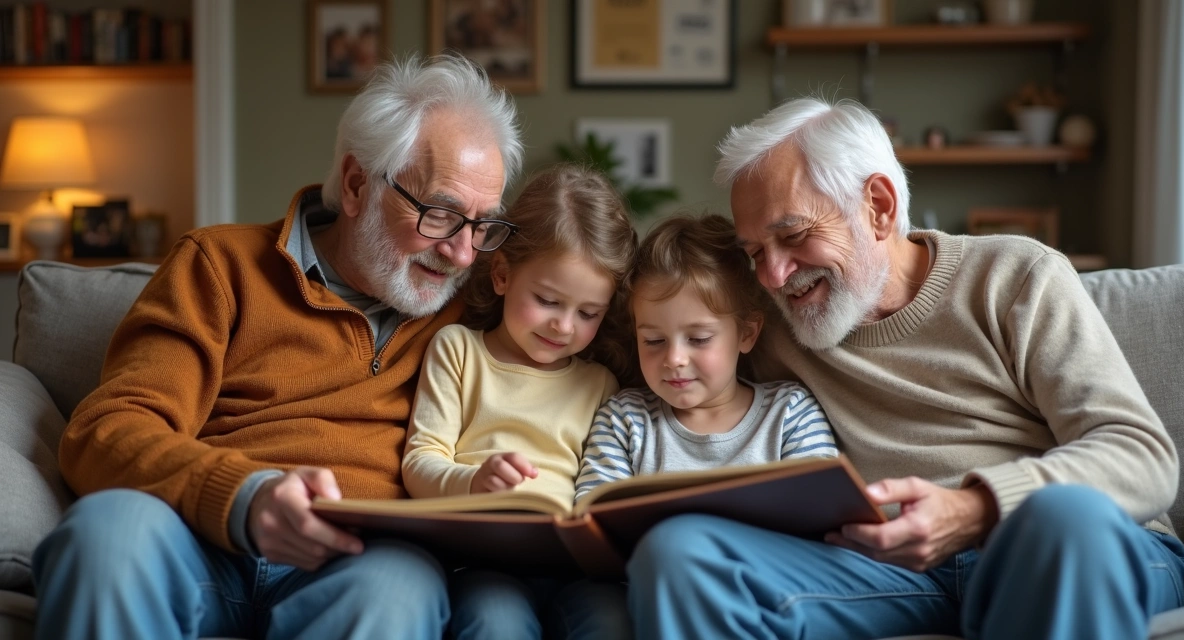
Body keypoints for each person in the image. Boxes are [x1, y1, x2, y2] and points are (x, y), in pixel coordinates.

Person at [626, 98, 1184, 640]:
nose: (774, 275)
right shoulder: (766, 319)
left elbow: (1141, 455)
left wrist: (976, 509)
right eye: (755, 252)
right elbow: (643, 331)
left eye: (793, 235)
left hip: (1056, 549)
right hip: (892, 574)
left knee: (1064, 520)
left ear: (878, 206)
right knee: (682, 551)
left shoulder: (1015, 277)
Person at [32, 54, 524, 639]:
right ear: (356, 183)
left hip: (356, 562)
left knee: (398, 586)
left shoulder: (479, 315)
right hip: (199, 540)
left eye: (481, 225)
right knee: (107, 533)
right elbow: (108, 429)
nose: (463, 254)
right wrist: (244, 498)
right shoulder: (220, 266)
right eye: (441, 214)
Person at [402, 163, 638, 639]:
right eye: (548, 300)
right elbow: (419, 462)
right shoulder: (459, 351)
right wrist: (472, 483)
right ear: (503, 274)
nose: (564, 326)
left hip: (579, 570)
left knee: (613, 621)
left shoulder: (600, 384)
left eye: (588, 312)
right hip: (484, 565)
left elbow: (607, 487)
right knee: (494, 622)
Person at [574, 213, 838, 503]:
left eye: (698, 339)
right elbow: (592, 516)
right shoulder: (624, 421)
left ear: (746, 334)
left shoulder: (789, 414)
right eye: (654, 340)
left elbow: (819, 511)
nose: (674, 358)